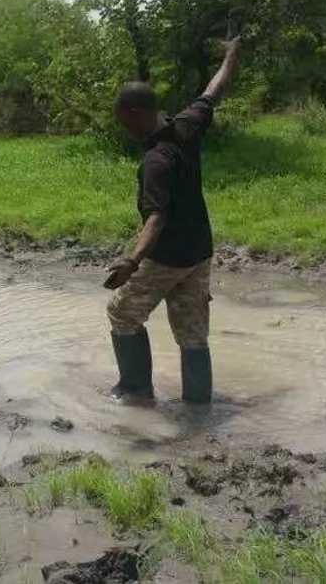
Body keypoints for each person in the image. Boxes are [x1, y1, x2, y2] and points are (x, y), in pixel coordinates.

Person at [103, 36, 242, 405]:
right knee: (193, 334)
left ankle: (135, 391)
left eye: (123, 120)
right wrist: (231, 55)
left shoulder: (156, 162)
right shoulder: (187, 125)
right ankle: (198, 405)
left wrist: (131, 262)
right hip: (199, 253)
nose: (123, 128)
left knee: (122, 313)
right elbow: (215, 89)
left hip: (165, 259)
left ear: (134, 113)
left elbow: (156, 219)